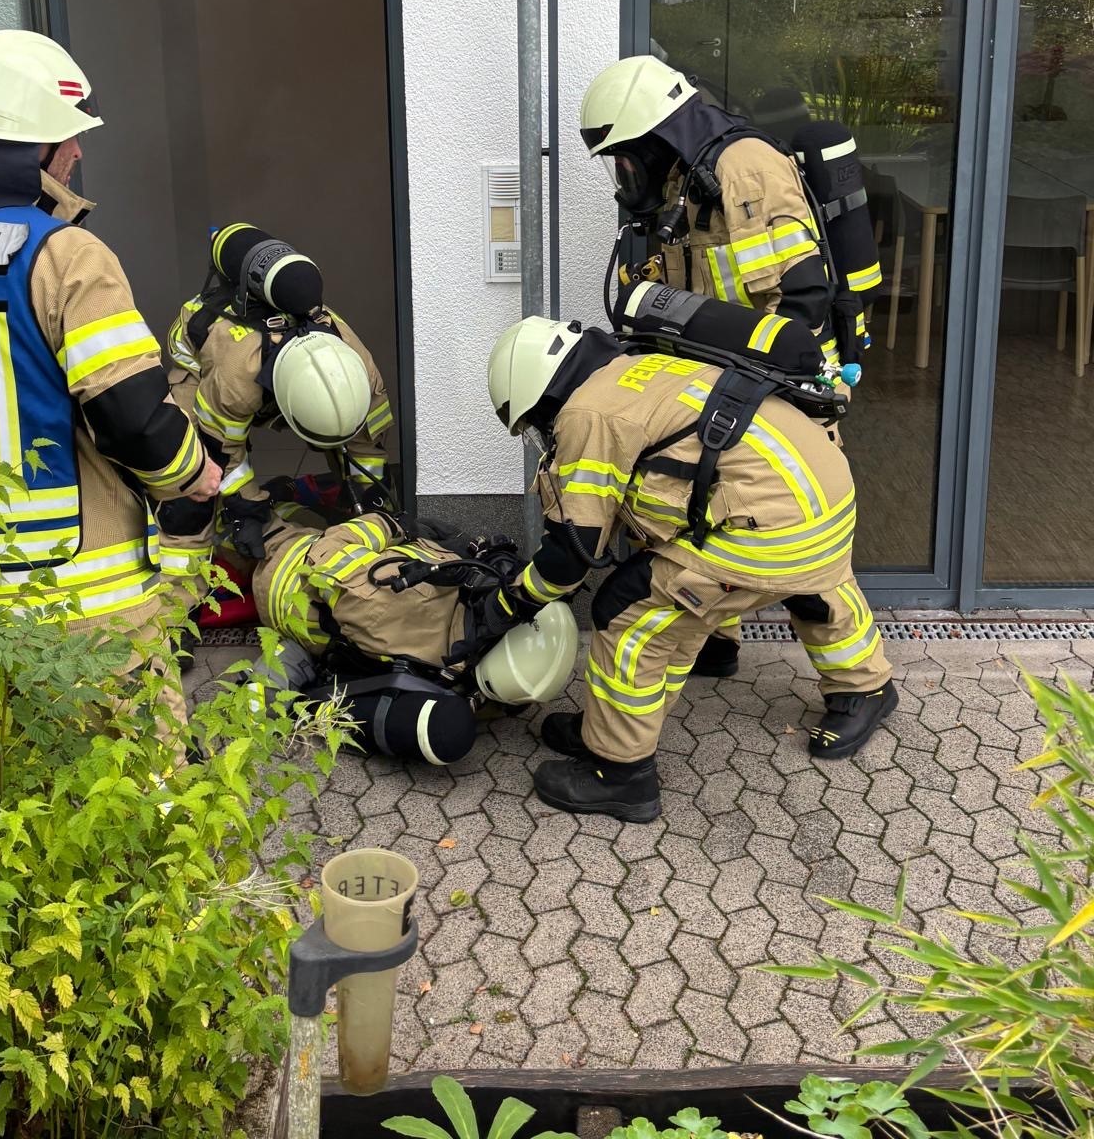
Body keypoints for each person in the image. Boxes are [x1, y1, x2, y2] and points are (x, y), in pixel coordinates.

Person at [0, 29, 221, 730]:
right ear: (22, 149)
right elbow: (134, 417)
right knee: (136, 804)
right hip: (80, 614)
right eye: (63, 136)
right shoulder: (66, 256)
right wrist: (192, 474)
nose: (76, 152)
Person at [486, 314, 897, 823]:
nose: (540, 434)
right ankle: (865, 686)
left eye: (531, 422)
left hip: (773, 530)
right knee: (697, 600)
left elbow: (572, 552)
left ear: (537, 392)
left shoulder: (586, 414)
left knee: (629, 614)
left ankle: (618, 773)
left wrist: (513, 600)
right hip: (823, 495)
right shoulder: (636, 367)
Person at [579, 53, 879, 681]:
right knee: (710, 509)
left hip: (789, 384)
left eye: (626, 157)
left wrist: (783, 397)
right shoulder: (689, 179)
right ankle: (718, 638)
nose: (624, 174)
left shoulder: (746, 171)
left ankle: (860, 685)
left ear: (658, 133)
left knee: (801, 544)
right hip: (725, 378)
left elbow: (796, 302)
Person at [240, 507, 578, 765]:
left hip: (279, 577)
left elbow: (328, 555)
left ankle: (286, 674)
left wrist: (390, 523)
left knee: (286, 513)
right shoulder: (466, 664)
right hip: (316, 598)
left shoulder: (399, 605)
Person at [161, 223, 393, 575]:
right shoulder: (237, 379)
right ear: (283, 404)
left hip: (267, 368)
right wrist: (246, 510)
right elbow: (225, 453)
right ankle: (182, 591)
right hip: (198, 362)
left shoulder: (358, 368)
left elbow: (366, 444)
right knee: (193, 484)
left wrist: (373, 497)